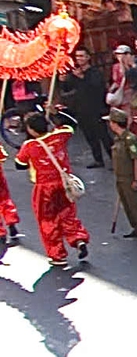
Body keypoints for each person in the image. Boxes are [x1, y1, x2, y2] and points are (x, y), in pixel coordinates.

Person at [21, 112, 89, 267]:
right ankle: (78, 239)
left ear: (31, 129)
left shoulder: (30, 146)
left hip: (44, 187)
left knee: (48, 220)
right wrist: (55, 113)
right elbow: (72, 123)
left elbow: (20, 163)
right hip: (63, 184)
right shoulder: (60, 136)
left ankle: (57, 254)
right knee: (68, 213)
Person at [107, 109, 137, 241]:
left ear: (115, 123)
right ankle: (136, 227)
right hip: (120, 177)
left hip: (129, 177)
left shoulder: (130, 139)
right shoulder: (118, 139)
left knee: (135, 205)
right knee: (127, 205)